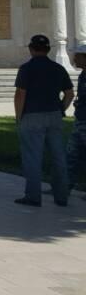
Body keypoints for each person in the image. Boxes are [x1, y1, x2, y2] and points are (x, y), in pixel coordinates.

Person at [13, 34, 72, 207]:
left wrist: (18, 116)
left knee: (33, 158)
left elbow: (20, 94)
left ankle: (33, 196)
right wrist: (61, 109)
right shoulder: (58, 68)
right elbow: (69, 94)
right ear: (48, 49)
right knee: (59, 157)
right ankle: (61, 196)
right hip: (54, 115)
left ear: (31, 49)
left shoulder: (26, 68)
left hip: (32, 116)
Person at [67, 44, 86, 197]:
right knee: (71, 155)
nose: (74, 59)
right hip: (80, 120)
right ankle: (64, 187)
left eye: (77, 56)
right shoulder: (82, 75)